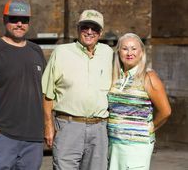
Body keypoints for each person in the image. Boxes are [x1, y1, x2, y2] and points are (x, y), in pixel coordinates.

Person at [0, 0, 46, 170]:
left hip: (33, 139)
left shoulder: (36, 51)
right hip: (2, 137)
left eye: (24, 20)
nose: (19, 24)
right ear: (5, 20)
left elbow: (43, 91)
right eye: (14, 19)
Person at [42, 9, 114, 170]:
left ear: (100, 33)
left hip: (99, 128)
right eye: (85, 27)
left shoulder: (108, 53)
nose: (89, 32)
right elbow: (47, 93)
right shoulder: (61, 52)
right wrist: (48, 125)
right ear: (78, 29)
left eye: (94, 28)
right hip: (68, 126)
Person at [107, 33, 171, 170]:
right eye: (125, 48)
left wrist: (150, 127)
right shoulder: (115, 77)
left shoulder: (148, 77)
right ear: (119, 52)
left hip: (136, 146)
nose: (129, 53)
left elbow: (166, 111)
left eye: (134, 48)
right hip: (114, 144)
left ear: (141, 52)